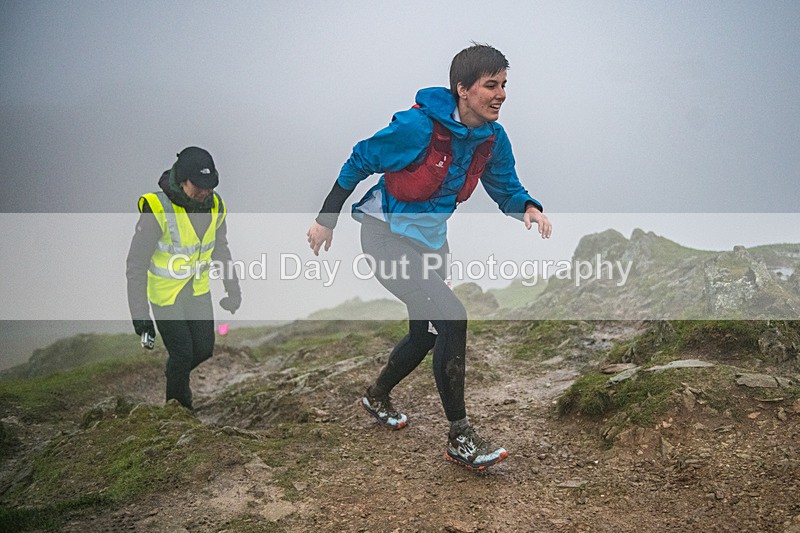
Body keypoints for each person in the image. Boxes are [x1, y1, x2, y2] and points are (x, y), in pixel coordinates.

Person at [307, 44, 552, 470]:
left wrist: (528, 207)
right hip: (384, 236)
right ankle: (460, 436)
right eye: (490, 85)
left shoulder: (492, 139)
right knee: (453, 317)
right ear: (462, 89)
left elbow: (505, 186)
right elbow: (361, 158)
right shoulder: (418, 127)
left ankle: (376, 395)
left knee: (427, 334)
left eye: (504, 85)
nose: (501, 94)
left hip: (431, 243)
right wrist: (326, 219)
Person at [126, 146, 241, 411]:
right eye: (199, 186)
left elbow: (220, 249)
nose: (206, 192)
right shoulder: (157, 209)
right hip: (165, 295)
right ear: (182, 181)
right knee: (182, 353)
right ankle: (179, 411)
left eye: (210, 185)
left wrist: (232, 289)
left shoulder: (215, 206)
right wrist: (140, 317)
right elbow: (135, 264)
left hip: (197, 290)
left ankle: (174, 375)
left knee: (203, 349)